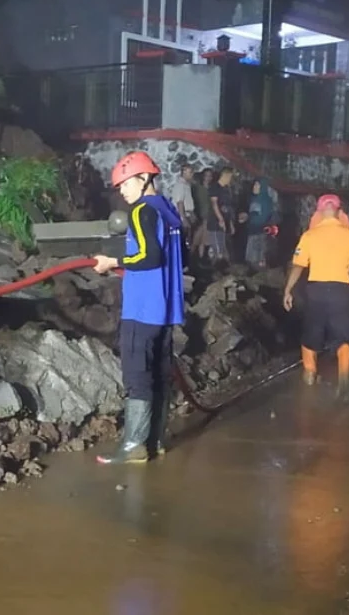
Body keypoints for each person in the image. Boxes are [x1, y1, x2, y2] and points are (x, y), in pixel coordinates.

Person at [92, 152, 185, 464]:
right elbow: (176, 254)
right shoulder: (168, 209)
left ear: (144, 179)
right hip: (166, 309)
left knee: (137, 376)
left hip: (142, 308)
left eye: (126, 183)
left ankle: (133, 446)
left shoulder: (141, 210)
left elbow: (150, 257)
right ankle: (155, 441)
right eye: (119, 186)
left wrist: (113, 262)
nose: (122, 191)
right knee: (159, 374)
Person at [282, 194, 349, 387]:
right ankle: (344, 379)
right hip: (342, 289)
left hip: (316, 290)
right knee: (343, 335)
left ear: (319, 213)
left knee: (311, 332)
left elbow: (297, 265)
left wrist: (288, 290)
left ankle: (310, 375)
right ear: (339, 212)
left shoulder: (309, 236)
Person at [206, 168, 236, 264]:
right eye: (230, 177)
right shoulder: (214, 187)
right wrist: (220, 219)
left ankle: (222, 269)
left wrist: (230, 224)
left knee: (222, 248)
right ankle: (215, 270)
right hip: (215, 223)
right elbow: (214, 204)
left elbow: (228, 208)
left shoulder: (226, 189)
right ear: (225, 175)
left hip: (223, 223)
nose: (230, 179)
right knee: (217, 250)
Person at [244, 178, 275, 269]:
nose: (255, 187)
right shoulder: (252, 199)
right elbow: (252, 214)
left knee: (259, 255)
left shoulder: (266, 201)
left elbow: (265, 216)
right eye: (254, 185)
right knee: (251, 257)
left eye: (257, 185)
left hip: (260, 232)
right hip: (252, 230)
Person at [193, 168, 214, 261]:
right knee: (199, 237)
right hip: (199, 215)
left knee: (203, 238)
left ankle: (199, 258)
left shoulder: (212, 189)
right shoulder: (198, 188)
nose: (208, 178)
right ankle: (194, 257)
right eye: (206, 176)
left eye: (210, 176)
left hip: (208, 215)